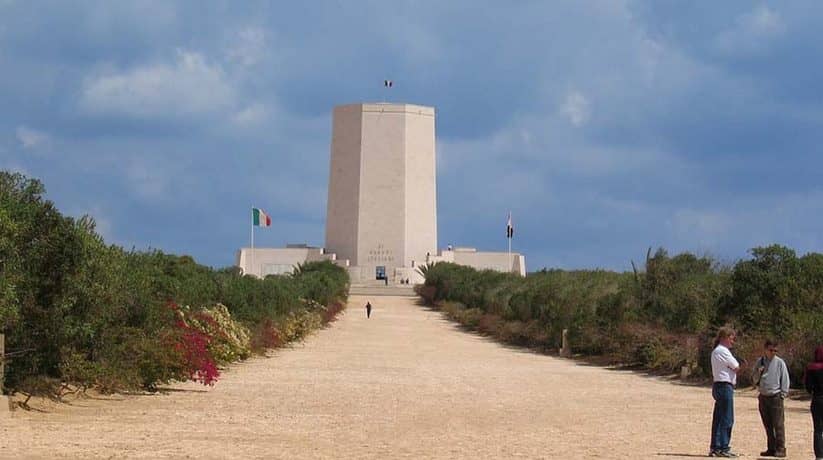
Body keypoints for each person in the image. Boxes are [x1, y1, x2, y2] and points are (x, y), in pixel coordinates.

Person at [752, 339, 789, 458]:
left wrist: (783, 394)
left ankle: (780, 448)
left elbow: (785, 379)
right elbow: (754, 379)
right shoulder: (760, 362)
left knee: (778, 424)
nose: (773, 352)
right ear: (765, 349)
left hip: (775, 396)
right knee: (767, 424)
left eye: (775, 350)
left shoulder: (780, 363)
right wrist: (758, 372)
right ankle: (771, 448)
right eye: (771, 350)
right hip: (763, 396)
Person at [709, 327, 740, 458]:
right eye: (731, 338)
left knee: (719, 417)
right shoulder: (723, 351)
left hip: (719, 385)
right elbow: (736, 366)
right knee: (726, 418)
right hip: (724, 385)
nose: (733, 341)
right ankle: (723, 446)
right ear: (724, 338)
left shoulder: (716, 351)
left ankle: (716, 447)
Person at [805, 345, 823, 460]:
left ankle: (819, 456)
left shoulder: (811, 368)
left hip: (817, 399)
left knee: (818, 429)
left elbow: (807, 386)